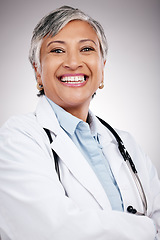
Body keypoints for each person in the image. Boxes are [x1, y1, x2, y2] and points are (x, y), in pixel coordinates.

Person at [0, 5, 159, 240]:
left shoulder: (126, 143)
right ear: (37, 71)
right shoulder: (18, 138)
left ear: (102, 69)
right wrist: (147, 230)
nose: (73, 62)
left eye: (86, 48)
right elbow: (48, 230)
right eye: (57, 51)